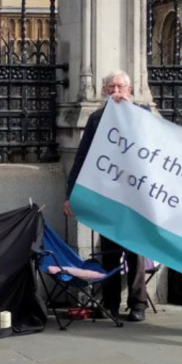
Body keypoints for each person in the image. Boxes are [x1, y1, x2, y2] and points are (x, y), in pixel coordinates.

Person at [64, 70, 150, 322]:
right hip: (109, 197)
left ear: (130, 90)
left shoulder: (142, 115)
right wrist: (71, 195)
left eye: (120, 87)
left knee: (135, 252)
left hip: (135, 198)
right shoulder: (96, 119)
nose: (116, 92)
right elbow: (82, 157)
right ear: (104, 92)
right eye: (111, 88)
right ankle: (109, 304)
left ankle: (138, 305)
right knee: (110, 253)